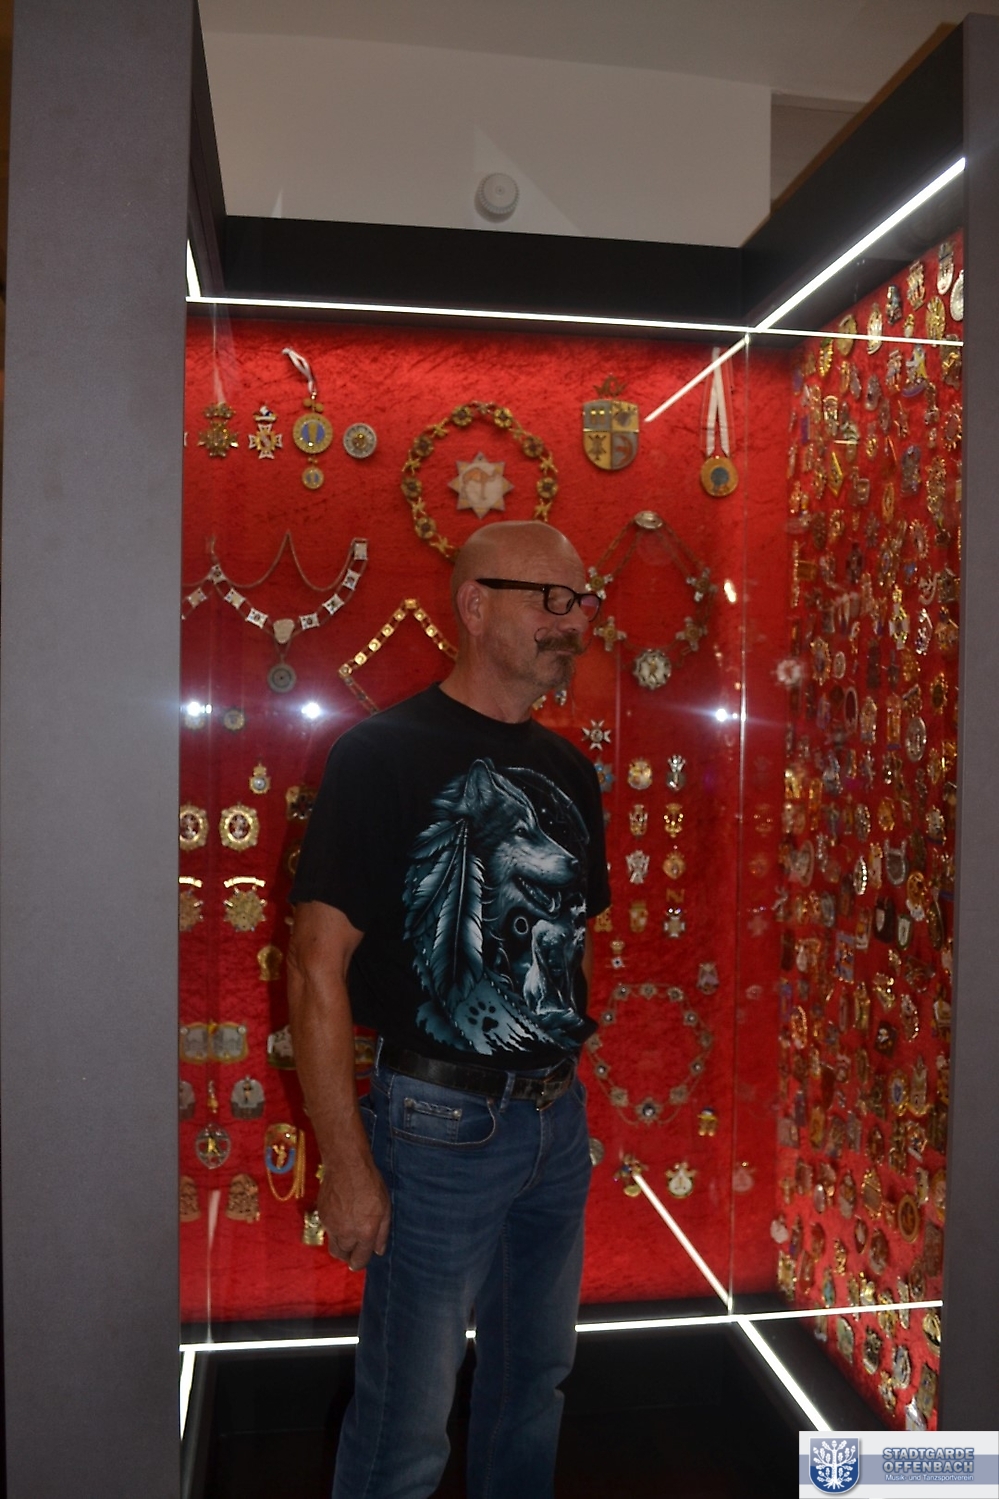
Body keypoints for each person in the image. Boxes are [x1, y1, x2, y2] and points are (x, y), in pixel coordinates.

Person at [287, 519, 610, 1499]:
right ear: (474, 604)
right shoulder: (378, 754)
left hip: (555, 1120)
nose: (574, 622)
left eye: (581, 601)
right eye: (550, 599)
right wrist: (347, 1165)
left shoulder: (570, 769)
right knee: (404, 1419)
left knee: (534, 1385)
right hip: (436, 1128)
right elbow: (315, 967)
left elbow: (573, 943)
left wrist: (568, 1094)